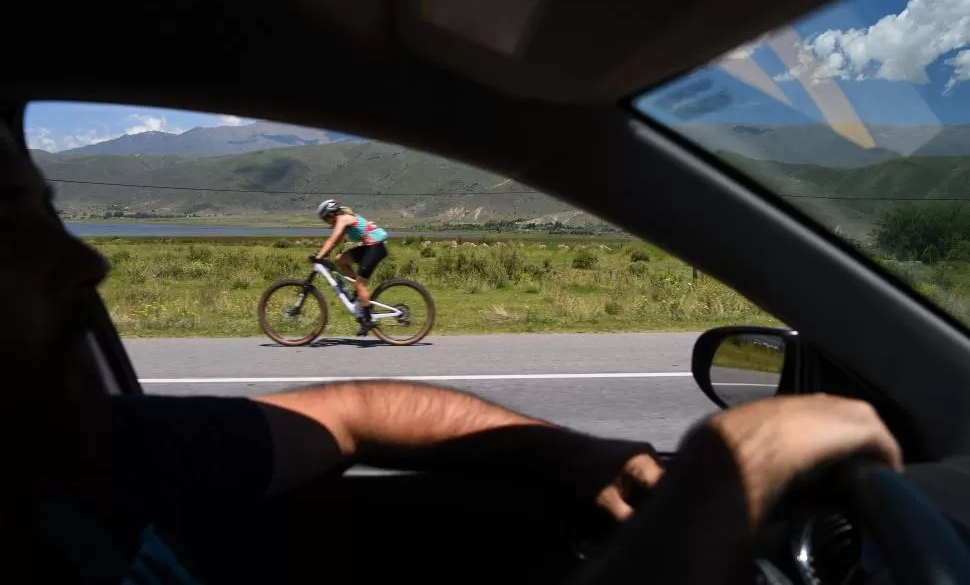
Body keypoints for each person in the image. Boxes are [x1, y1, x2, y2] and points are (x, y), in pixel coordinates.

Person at [1, 122, 903, 585]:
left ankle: (367, 310)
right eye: (15, 228)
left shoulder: (113, 454)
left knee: (355, 282)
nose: (91, 261)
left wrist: (333, 266)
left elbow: (350, 390)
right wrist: (724, 472)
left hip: (382, 256)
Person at [314, 199, 389, 336]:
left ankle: (367, 320)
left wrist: (319, 257)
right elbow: (335, 242)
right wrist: (323, 255)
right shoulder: (344, 222)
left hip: (375, 247)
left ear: (330, 215)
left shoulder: (343, 219)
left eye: (325, 219)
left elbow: (331, 240)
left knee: (360, 284)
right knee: (340, 260)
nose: (327, 222)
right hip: (370, 247)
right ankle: (358, 294)